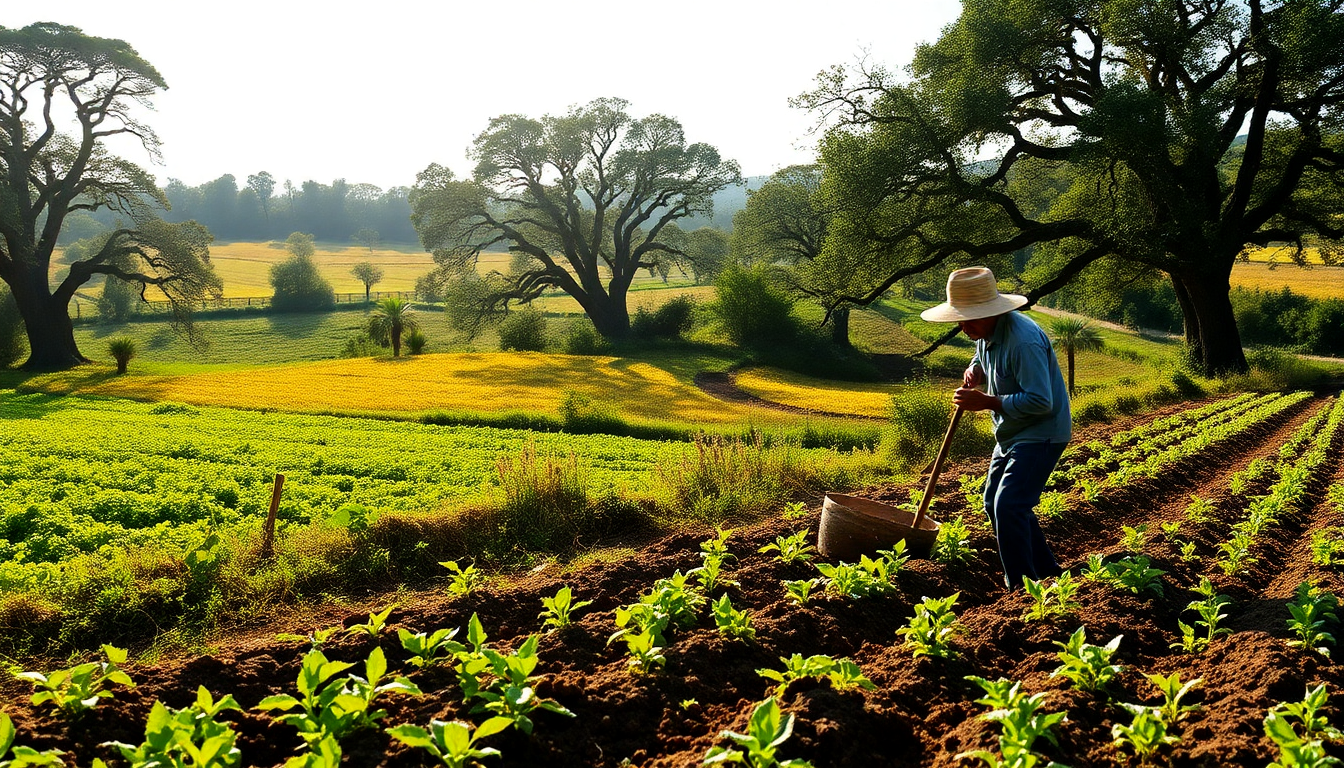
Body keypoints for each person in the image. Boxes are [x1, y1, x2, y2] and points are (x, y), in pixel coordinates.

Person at [920, 266, 1071, 589]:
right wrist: (975, 371)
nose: (963, 327)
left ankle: (1020, 587)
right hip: (1011, 433)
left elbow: (1040, 401)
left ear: (992, 312)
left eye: (970, 318)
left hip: (1041, 432)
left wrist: (987, 402)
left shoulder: (1023, 342)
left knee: (1010, 505)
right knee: (993, 501)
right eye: (960, 319)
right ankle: (1047, 570)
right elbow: (982, 360)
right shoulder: (986, 334)